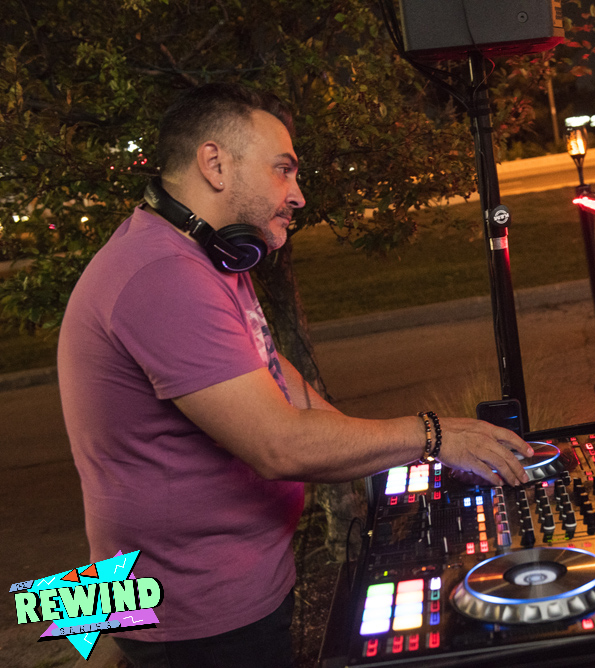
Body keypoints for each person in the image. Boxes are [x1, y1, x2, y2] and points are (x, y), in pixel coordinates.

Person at [57, 82, 532, 668]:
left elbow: (268, 367)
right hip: (199, 612)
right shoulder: (163, 276)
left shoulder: (206, 255)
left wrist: (388, 453)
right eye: (283, 170)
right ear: (215, 164)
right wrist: (432, 436)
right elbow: (278, 445)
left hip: (229, 582)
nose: (298, 195)